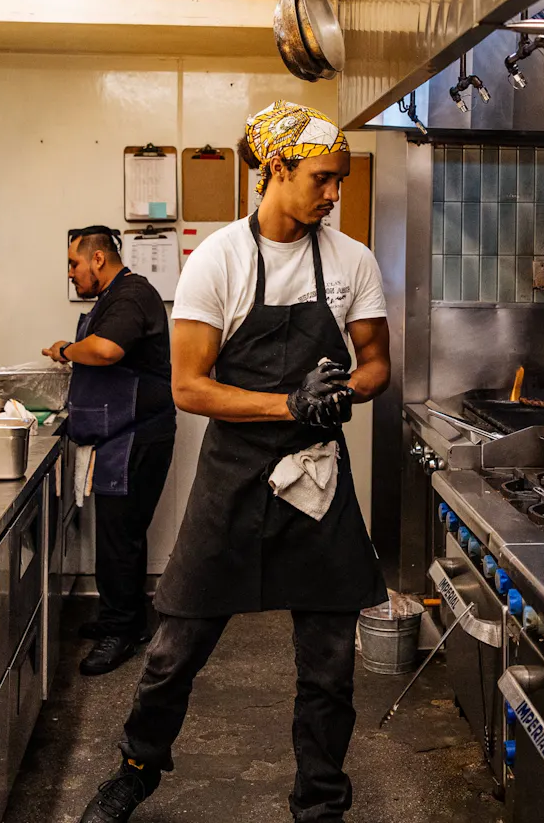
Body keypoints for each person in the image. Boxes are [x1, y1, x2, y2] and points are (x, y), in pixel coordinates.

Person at [78, 102, 390, 823]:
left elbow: (376, 364)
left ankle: (320, 803)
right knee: (173, 649)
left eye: (339, 180)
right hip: (233, 480)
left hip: (316, 484)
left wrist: (342, 393)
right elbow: (190, 387)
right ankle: (134, 769)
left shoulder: (351, 261)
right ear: (275, 169)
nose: (334, 193)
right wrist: (290, 403)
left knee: (330, 668)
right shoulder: (217, 259)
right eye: (321, 178)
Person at [44, 226, 176, 676]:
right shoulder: (113, 298)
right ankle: (124, 619)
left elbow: (105, 350)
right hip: (119, 434)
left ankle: (123, 630)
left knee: (121, 537)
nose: (71, 274)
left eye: (74, 264)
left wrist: (64, 349)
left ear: (98, 258)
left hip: (137, 436)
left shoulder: (132, 295)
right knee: (117, 534)